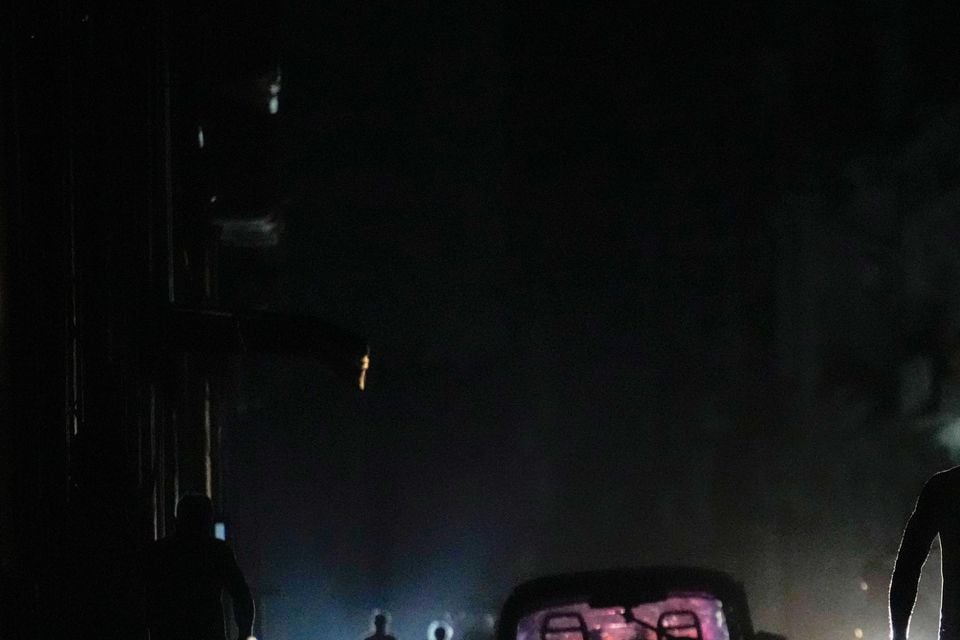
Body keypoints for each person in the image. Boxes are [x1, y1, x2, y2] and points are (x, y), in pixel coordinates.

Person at [141, 494, 255, 640]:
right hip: (208, 633)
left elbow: (140, 598)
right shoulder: (217, 552)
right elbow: (241, 596)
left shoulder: (158, 553)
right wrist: (244, 633)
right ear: (208, 521)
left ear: (177, 520)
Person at [890, 468, 960, 640]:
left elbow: (907, 567)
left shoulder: (945, 487)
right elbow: (907, 567)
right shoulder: (945, 488)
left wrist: (899, 635)